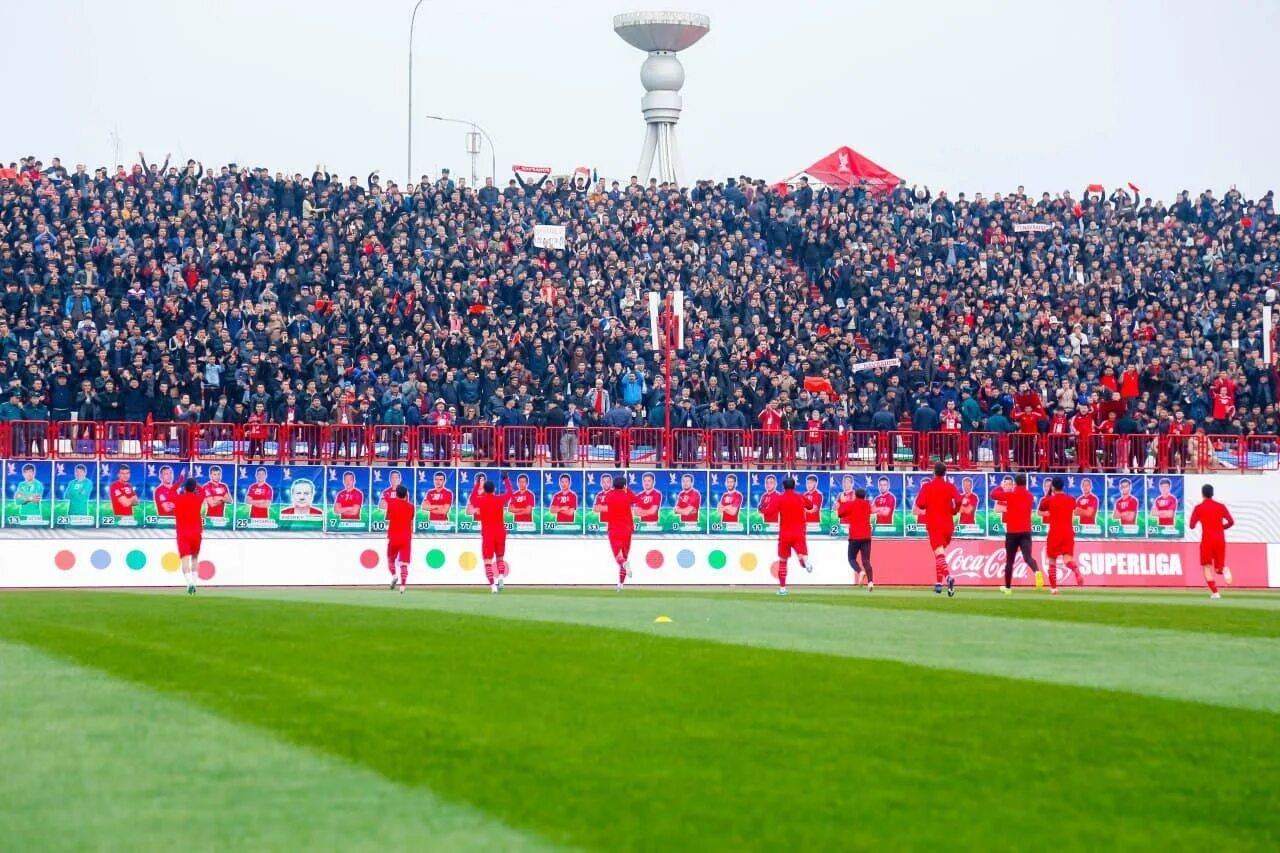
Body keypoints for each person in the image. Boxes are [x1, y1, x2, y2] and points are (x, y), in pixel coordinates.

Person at [989, 472, 1043, 593]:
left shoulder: (1010, 495)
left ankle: (1008, 588)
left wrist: (1001, 486)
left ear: (1015, 484)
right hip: (1026, 531)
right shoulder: (1029, 496)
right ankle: (1037, 571)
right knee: (1028, 557)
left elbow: (993, 495)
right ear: (1025, 483)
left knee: (1010, 561)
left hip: (1012, 531)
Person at [913, 462, 961, 596]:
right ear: (945, 473)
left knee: (939, 553)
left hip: (934, 524)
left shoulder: (927, 486)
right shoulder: (950, 486)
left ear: (934, 472)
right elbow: (959, 500)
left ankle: (948, 577)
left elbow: (920, 504)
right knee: (940, 554)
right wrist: (954, 511)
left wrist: (929, 504)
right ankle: (938, 584)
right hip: (948, 525)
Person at [1189, 484, 1235, 598]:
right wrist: (1221, 527)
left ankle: (1215, 592)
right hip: (1220, 539)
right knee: (1219, 567)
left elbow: (1191, 526)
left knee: (1206, 567)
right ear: (1212, 493)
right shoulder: (1221, 506)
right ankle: (1224, 569)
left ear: (1202, 494)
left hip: (1207, 540)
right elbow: (1231, 521)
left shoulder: (1199, 508)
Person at [1039, 476, 1083, 594]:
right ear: (1063, 486)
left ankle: (1054, 589)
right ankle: (1075, 569)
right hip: (1068, 533)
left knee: (1052, 562)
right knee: (1068, 560)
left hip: (1055, 533)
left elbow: (1040, 509)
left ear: (1052, 487)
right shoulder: (1071, 499)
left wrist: (1049, 494)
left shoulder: (1049, 500)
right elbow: (1077, 510)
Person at [471, 473, 514, 592]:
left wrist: (476, 485)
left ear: (484, 490)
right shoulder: (499, 499)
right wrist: (506, 480)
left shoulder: (481, 501)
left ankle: (493, 586)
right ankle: (500, 577)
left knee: (487, 562)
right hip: (500, 532)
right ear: (494, 489)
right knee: (500, 558)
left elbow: (472, 498)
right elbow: (510, 493)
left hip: (488, 534)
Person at [775, 477, 813, 596]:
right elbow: (811, 506)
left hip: (785, 533)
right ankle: (805, 561)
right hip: (799, 532)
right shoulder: (800, 497)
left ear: (783, 487)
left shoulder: (780, 498)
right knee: (801, 554)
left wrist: (762, 509)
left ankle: (782, 589)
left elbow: (770, 511)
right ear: (794, 486)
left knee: (783, 561)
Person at [602, 475, 638, 591]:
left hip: (614, 529)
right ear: (624, 486)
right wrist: (626, 489)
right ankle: (621, 584)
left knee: (619, 556)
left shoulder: (608, 495)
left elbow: (605, 503)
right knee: (625, 556)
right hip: (627, 529)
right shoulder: (627, 495)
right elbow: (636, 499)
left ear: (613, 485)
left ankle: (623, 568)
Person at [173, 478, 206, 595]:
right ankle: (195, 583)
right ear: (194, 487)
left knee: (185, 560)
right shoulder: (198, 498)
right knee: (195, 558)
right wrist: (196, 483)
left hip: (183, 533)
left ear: (184, 487)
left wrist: (181, 478)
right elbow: (204, 492)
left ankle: (189, 584)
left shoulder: (178, 498)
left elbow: (172, 490)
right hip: (196, 533)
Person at [837, 487, 874, 590]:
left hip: (855, 536)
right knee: (866, 560)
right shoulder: (867, 504)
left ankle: (860, 571)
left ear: (855, 495)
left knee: (851, 558)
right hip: (866, 535)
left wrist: (843, 502)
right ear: (865, 496)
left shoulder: (851, 504)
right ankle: (871, 582)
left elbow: (840, 514)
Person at [384, 483, 415, 593]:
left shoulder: (391, 503)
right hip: (406, 538)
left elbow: (387, 516)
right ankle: (402, 586)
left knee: (391, 560)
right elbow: (411, 518)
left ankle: (394, 575)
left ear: (396, 494)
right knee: (404, 563)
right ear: (406, 495)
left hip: (393, 536)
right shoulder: (411, 507)